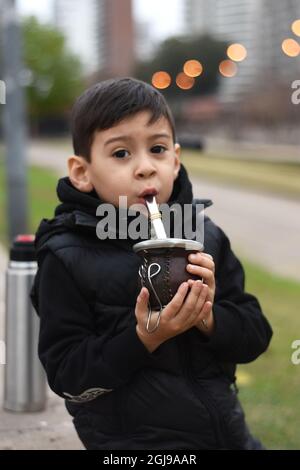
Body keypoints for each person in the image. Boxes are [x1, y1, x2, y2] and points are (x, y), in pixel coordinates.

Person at [30, 77, 273, 450]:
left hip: (227, 436)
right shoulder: (66, 255)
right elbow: (68, 375)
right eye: (121, 153)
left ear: (175, 161)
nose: (145, 167)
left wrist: (208, 317)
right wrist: (145, 337)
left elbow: (255, 335)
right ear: (82, 172)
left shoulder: (204, 237)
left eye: (157, 149)